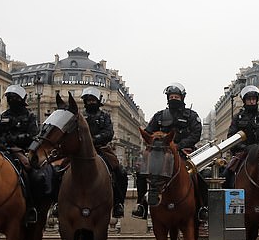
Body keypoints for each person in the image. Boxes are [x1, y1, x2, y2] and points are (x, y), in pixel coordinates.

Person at [132, 83, 206, 219]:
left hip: (184, 152)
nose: (173, 99)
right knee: (142, 172)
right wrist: (156, 142)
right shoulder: (159, 116)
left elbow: (196, 134)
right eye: (171, 96)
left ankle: (202, 206)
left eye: (176, 96)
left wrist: (179, 146)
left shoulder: (191, 115)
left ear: (182, 98)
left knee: (199, 175)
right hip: (161, 154)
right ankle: (142, 205)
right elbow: (148, 132)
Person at [0, 84, 46, 222]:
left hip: (21, 152)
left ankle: (32, 207)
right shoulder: (2, 117)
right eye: (10, 97)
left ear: (21, 99)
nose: (12, 100)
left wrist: (16, 140)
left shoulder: (30, 117)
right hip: (2, 151)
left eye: (15, 97)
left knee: (34, 176)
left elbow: (34, 136)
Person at [80, 87, 127, 219]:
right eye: (88, 100)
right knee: (60, 169)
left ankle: (118, 203)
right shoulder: (80, 116)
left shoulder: (104, 116)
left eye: (92, 100)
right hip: (81, 149)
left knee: (120, 172)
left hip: (101, 149)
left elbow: (109, 132)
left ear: (98, 101)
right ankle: (57, 202)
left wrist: (94, 139)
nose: (90, 102)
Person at [223, 85, 259, 187]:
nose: (252, 102)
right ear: (244, 101)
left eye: (254, 99)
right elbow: (231, 137)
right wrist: (245, 148)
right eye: (249, 99)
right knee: (226, 174)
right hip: (243, 153)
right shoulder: (237, 118)